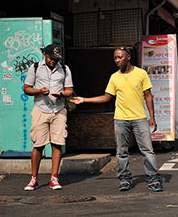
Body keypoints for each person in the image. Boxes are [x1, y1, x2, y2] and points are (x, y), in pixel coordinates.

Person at [70, 47, 163, 192]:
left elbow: (148, 96)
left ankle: (154, 180)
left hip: (139, 118)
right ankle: (125, 180)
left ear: (128, 57)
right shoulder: (114, 77)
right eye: (115, 58)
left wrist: (152, 117)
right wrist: (83, 100)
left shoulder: (141, 73)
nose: (117, 60)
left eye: (120, 57)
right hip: (120, 119)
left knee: (147, 150)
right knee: (121, 152)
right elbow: (106, 97)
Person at [23, 43, 73, 191]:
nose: (53, 61)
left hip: (58, 110)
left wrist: (62, 94)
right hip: (40, 109)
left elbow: (70, 90)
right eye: (51, 58)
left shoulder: (64, 69)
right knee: (38, 144)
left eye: (56, 59)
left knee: (57, 143)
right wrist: (39, 91)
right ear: (45, 55)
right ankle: (33, 179)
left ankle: (54, 178)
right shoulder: (35, 67)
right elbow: (26, 88)